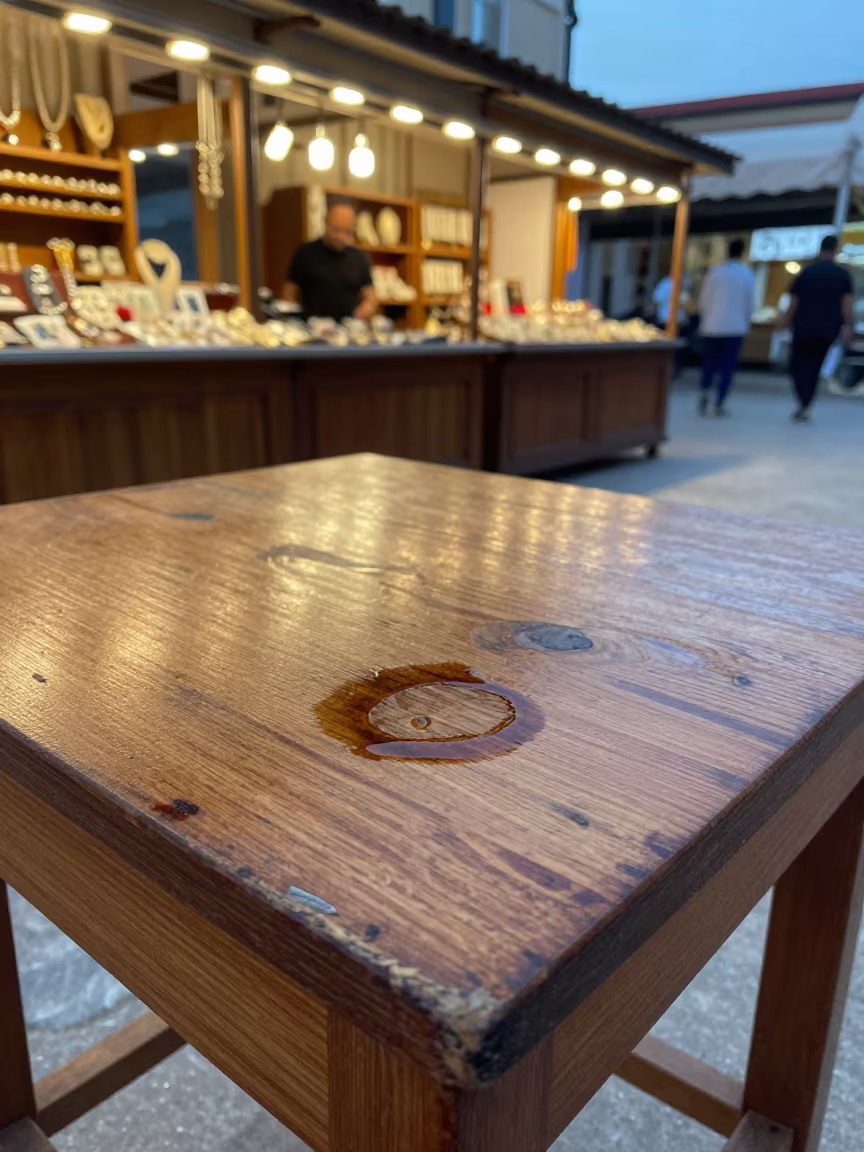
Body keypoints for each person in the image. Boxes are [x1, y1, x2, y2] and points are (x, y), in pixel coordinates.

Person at [780, 234, 854, 422]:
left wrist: (785, 321)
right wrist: (848, 326)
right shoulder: (842, 275)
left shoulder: (807, 272)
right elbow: (847, 303)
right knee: (815, 365)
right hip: (828, 329)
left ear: (820, 250)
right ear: (835, 250)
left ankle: (802, 400)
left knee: (797, 365)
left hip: (803, 326)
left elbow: (794, 301)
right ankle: (805, 403)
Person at [283, 199, 377, 320]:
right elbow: (289, 293)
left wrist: (366, 309)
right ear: (326, 223)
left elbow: (370, 297)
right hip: (312, 327)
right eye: (336, 230)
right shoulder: (305, 252)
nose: (341, 236)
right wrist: (293, 318)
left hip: (348, 329)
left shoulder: (359, 257)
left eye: (347, 231)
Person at [697, 238, 756, 417]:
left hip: (712, 325)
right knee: (727, 367)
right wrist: (747, 321)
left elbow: (704, 301)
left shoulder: (715, 273)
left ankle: (705, 391)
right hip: (735, 327)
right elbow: (750, 304)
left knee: (709, 363)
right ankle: (719, 402)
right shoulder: (746, 274)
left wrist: (705, 319)